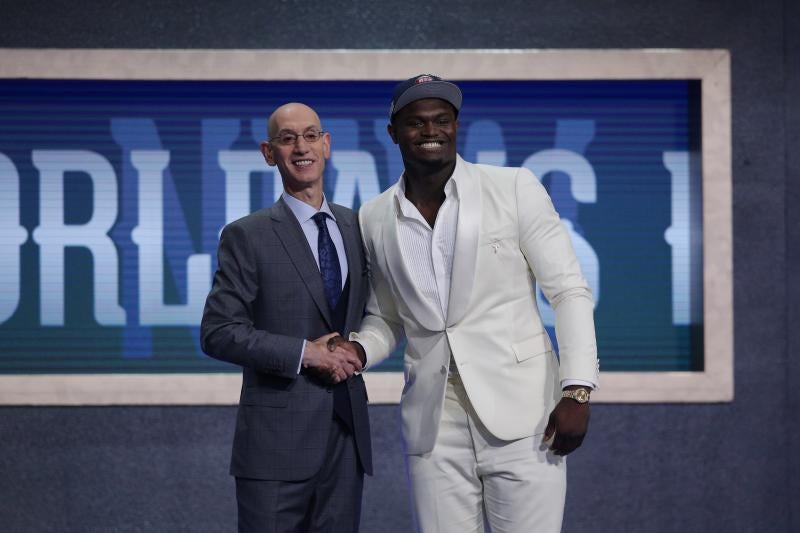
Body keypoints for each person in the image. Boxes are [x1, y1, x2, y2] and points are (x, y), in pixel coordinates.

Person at [333, 75, 599, 532]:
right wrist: (358, 349)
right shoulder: (374, 215)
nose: (430, 130)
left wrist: (577, 390)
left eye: (441, 120)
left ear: (457, 126)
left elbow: (568, 290)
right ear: (394, 132)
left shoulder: (514, 187)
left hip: (525, 413)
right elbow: (388, 316)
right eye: (416, 123)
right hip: (434, 421)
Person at [201, 102, 372, 533]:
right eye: (287, 138)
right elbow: (219, 332)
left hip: (345, 437)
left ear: (327, 145)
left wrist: (362, 348)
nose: (301, 147)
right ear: (268, 152)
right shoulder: (247, 234)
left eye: (311, 135)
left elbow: (379, 313)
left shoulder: (359, 227)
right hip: (275, 447)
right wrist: (305, 354)